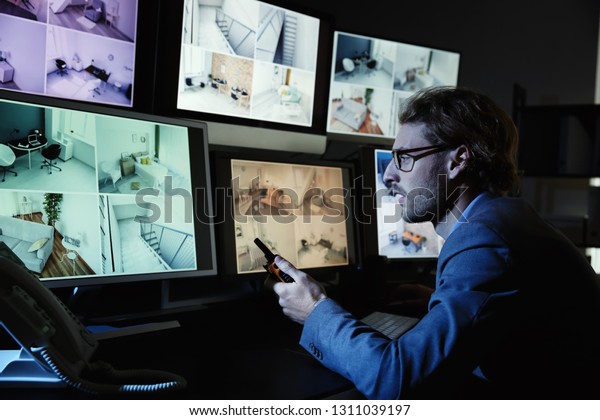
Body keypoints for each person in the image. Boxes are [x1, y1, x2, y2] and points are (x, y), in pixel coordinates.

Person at [267, 86, 600, 399]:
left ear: (458, 160)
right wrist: (439, 300)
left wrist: (314, 311)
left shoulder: (485, 240)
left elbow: (396, 380)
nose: (388, 176)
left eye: (405, 158)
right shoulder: (505, 217)